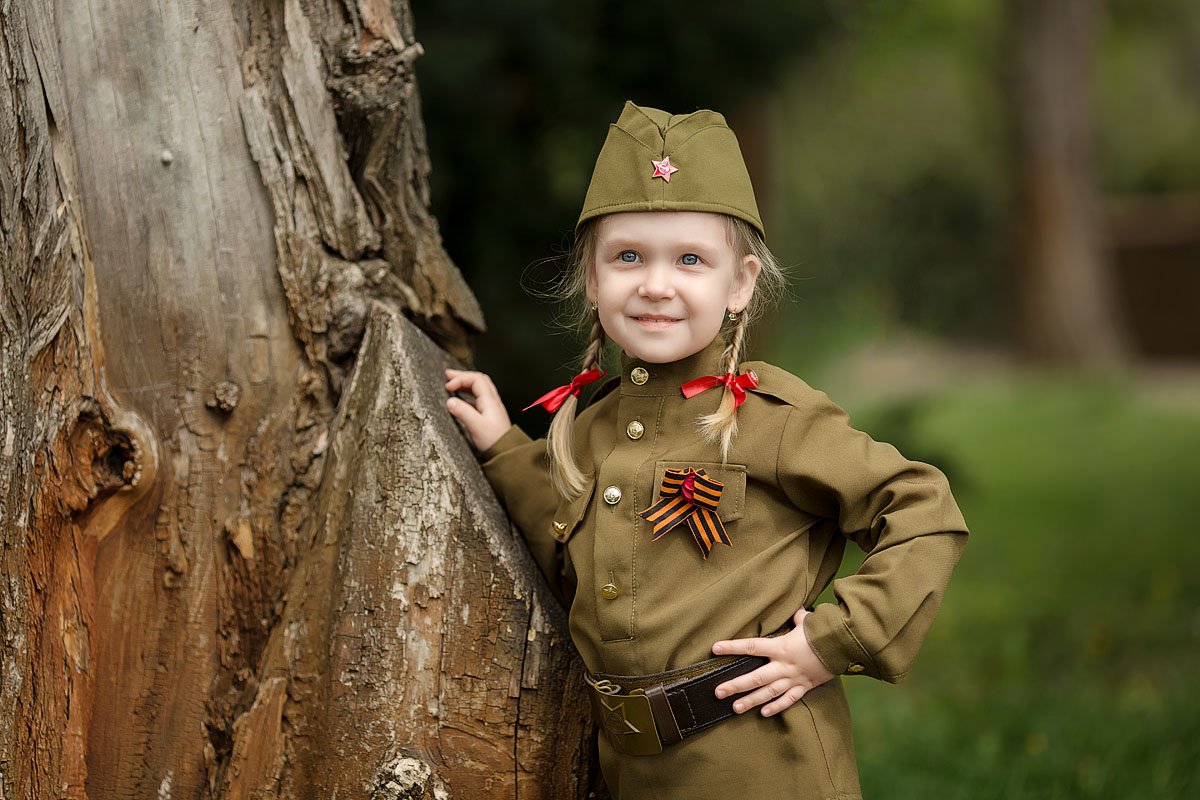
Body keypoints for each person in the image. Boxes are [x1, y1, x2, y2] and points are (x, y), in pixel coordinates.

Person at [444, 101, 969, 800]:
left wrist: (832, 642)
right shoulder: (591, 424)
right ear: (595, 279)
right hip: (631, 771)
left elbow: (922, 509)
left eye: (690, 260)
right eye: (628, 256)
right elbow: (563, 534)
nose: (656, 284)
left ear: (740, 283)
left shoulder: (769, 416)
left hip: (762, 764)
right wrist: (503, 447)